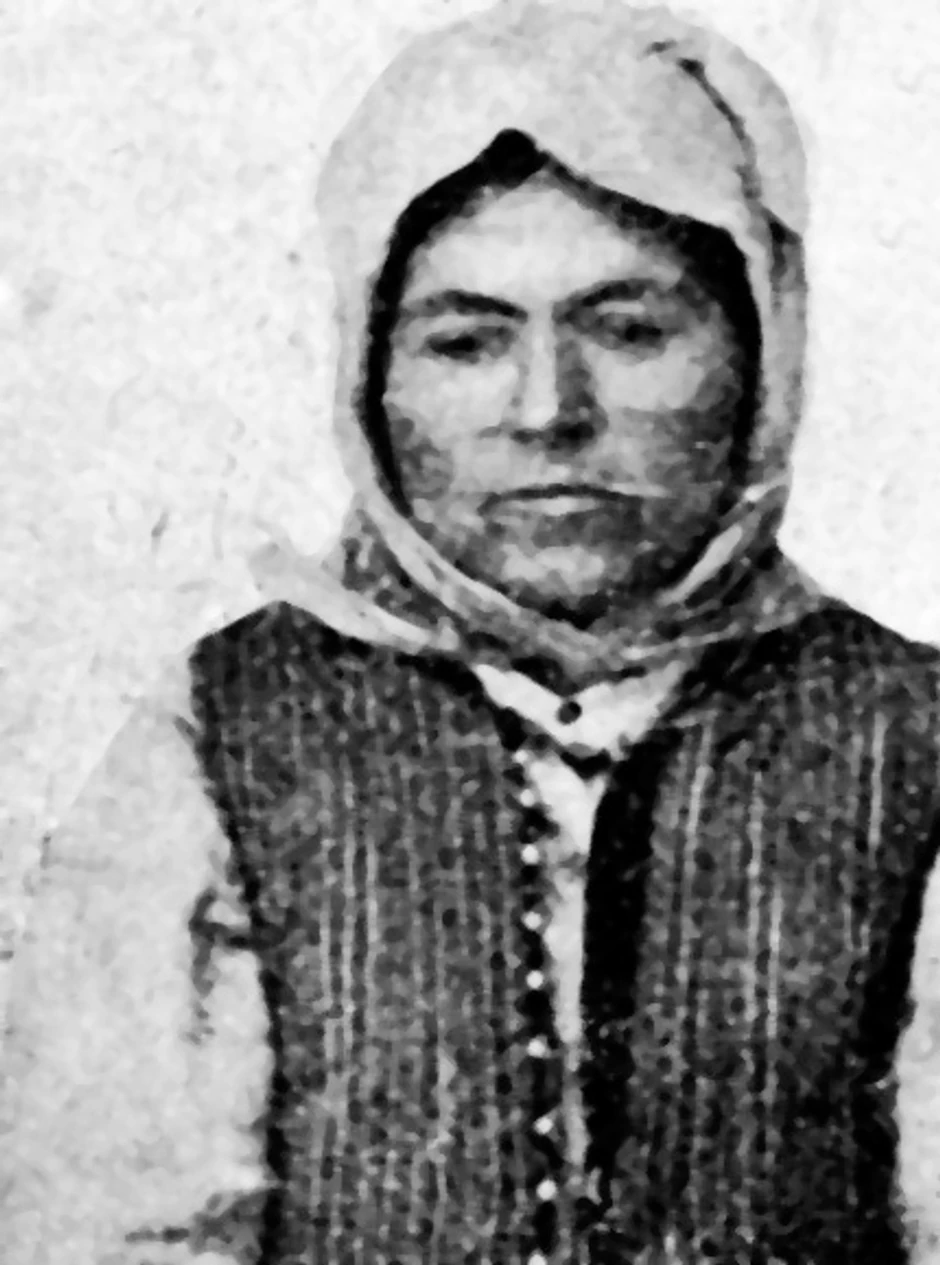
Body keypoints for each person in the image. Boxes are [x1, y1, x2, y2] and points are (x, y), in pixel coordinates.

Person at [3, 2, 940, 1262]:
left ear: (759, 354)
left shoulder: (907, 730)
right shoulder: (227, 725)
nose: (548, 409)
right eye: (465, 341)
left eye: (630, 329)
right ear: (372, 377)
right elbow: (104, 1221)